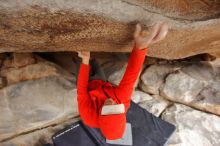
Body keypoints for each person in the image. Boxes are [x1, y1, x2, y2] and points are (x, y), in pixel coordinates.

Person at [77, 22, 169, 140]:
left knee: (81, 60)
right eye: (115, 108)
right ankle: (92, 60)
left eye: (108, 108)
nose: (111, 103)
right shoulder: (121, 102)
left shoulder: (88, 117)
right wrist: (140, 47)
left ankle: (81, 60)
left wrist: (84, 61)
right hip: (102, 84)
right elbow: (131, 75)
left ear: (101, 115)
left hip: (87, 90)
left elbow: (81, 90)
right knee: (94, 63)